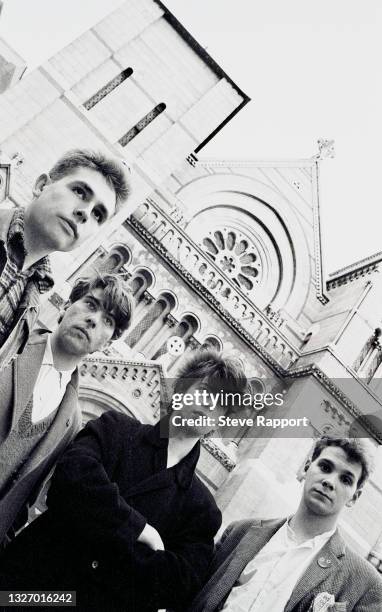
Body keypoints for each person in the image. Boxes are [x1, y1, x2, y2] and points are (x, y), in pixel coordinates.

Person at [0, 349, 248, 612]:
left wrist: (98, 522)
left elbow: (174, 585)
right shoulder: (115, 428)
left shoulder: (203, 510)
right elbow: (70, 481)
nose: (210, 404)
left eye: (221, 402)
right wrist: (142, 531)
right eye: (205, 390)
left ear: (222, 419)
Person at [0, 272, 134, 545]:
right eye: (90, 304)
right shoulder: (12, 341)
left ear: (106, 344)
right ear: (65, 306)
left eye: (108, 321)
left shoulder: (72, 421)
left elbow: (22, 503)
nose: (94, 319)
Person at [188, 436, 382, 612]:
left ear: (354, 497)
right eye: (325, 467)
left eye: (346, 479)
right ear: (307, 467)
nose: (330, 482)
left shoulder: (365, 584)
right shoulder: (239, 532)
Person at [0, 149, 131, 370]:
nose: (86, 213)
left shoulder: (31, 304)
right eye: (79, 192)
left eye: (98, 214)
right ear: (42, 185)